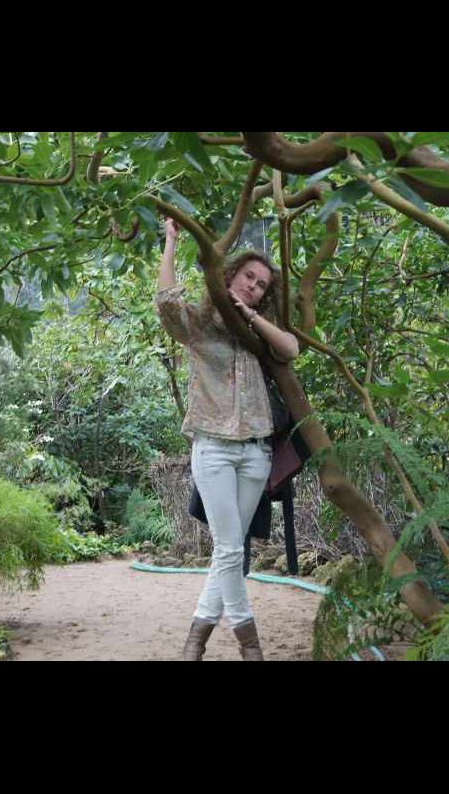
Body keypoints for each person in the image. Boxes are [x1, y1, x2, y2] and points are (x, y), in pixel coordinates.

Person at [155, 217, 299, 661]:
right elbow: (166, 303)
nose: (253, 286)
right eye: (248, 277)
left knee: (230, 550)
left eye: (261, 284)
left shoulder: (258, 331)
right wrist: (171, 242)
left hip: (256, 452)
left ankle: (195, 641)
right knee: (231, 547)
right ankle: (250, 645)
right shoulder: (200, 324)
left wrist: (250, 316)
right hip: (214, 448)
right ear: (230, 275)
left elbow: (291, 349)